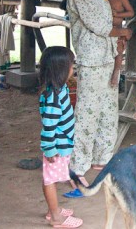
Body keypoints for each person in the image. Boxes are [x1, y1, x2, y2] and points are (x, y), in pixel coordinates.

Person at [65, 0, 132, 189]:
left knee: (107, 110)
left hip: (106, 56)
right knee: (87, 114)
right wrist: (123, 33)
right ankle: (77, 167)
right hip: (92, 59)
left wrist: (117, 45)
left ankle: (102, 158)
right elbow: (100, 26)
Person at [38, 46, 83, 228]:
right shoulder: (53, 97)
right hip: (56, 147)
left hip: (61, 144)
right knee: (50, 179)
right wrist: (50, 150)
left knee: (51, 178)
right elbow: (48, 127)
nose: (73, 68)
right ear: (61, 69)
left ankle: (52, 210)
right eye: (71, 65)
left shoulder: (59, 89)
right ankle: (56, 218)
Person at [100, 0, 135, 88]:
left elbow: (131, 13)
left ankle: (117, 71)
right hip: (105, 31)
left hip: (118, 31)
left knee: (119, 51)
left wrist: (117, 14)